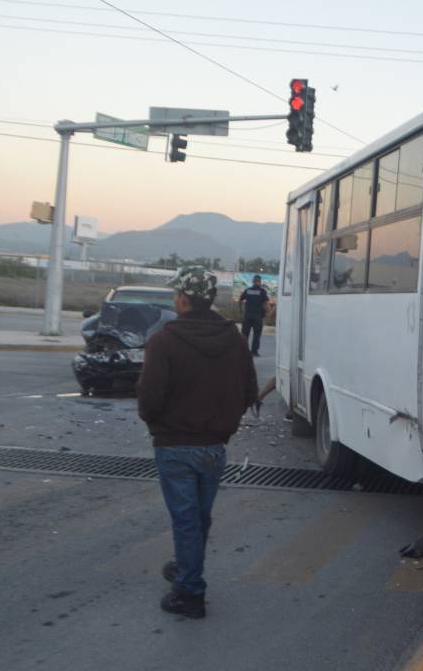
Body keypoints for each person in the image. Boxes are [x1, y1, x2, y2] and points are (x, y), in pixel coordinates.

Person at [137, 265, 257, 619]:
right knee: (198, 518)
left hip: (174, 446)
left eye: (176, 294)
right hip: (214, 447)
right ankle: (186, 566)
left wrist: (158, 426)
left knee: (186, 519)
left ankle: (189, 592)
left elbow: (149, 400)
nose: (174, 299)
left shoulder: (164, 341)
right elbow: (249, 391)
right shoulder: (234, 340)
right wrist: (223, 423)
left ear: (184, 300)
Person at [238, 274, 271, 356]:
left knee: (244, 334)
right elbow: (266, 304)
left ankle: (243, 351)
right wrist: (268, 313)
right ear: (260, 281)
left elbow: (240, 300)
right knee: (257, 335)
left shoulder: (247, 290)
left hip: (247, 316)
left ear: (253, 281)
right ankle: (254, 352)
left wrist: (241, 310)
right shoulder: (262, 291)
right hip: (258, 317)